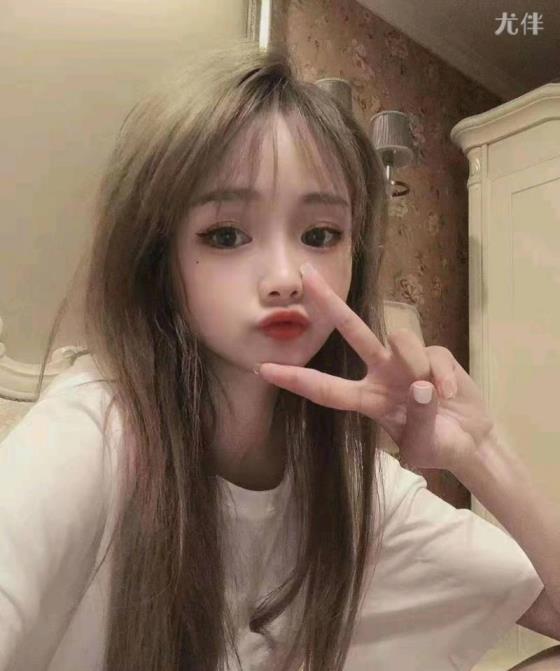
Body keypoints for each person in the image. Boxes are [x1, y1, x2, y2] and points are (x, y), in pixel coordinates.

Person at [0, 38, 550, 671]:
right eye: (226, 234)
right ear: (159, 259)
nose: (287, 277)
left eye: (320, 234)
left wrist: (480, 452)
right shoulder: (93, 432)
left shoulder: (349, 483)